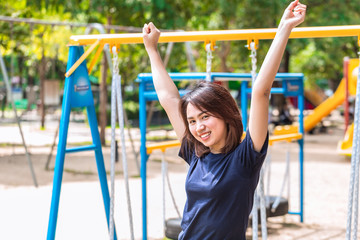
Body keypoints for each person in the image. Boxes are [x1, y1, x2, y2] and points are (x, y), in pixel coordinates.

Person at [142, 1, 306, 239]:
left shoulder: (245, 158)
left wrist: (284, 28)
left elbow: (261, 90)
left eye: (205, 116)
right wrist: (152, 50)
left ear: (225, 114)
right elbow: (168, 98)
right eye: (192, 121)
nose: (198, 127)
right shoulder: (196, 153)